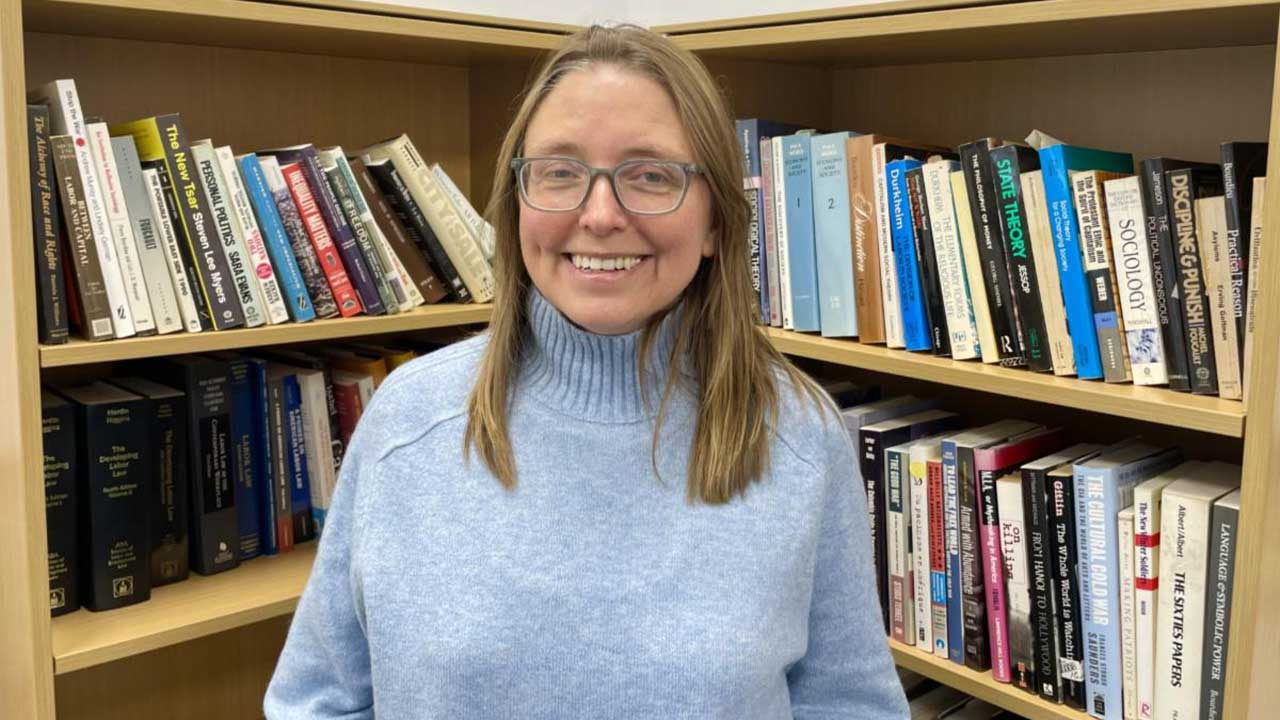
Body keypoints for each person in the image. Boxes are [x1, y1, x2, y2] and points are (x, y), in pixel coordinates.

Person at [264, 23, 909, 720]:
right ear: (517, 204)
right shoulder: (408, 418)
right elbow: (317, 702)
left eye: (652, 175)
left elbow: (851, 707)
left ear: (718, 220)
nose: (599, 216)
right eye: (560, 173)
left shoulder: (802, 437)